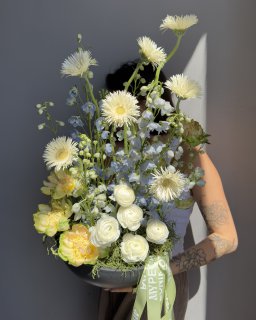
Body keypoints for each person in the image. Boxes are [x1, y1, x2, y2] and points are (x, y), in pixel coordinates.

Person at [97, 61, 238, 320]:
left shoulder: (186, 154)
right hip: (112, 284)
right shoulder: (111, 152)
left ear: (153, 100)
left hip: (159, 289)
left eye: (129, 101)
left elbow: (227, 237)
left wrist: (163, 269)